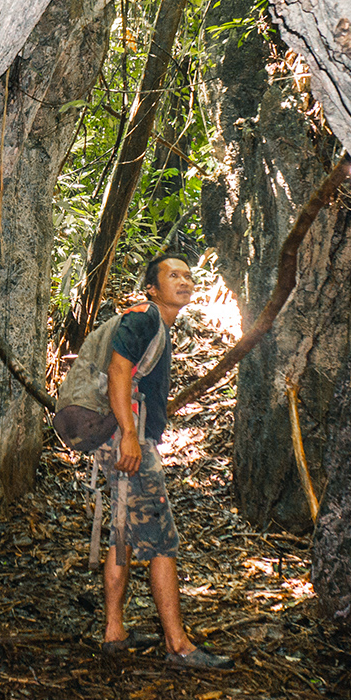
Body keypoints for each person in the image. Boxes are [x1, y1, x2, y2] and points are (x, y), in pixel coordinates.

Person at [94, 254, 233, 670]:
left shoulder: (156, 324)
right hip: (126, 440)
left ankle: (114, 633)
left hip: (115, 440)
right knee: (163, 541)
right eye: (173, 275)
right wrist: (132, 438)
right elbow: (119, 373)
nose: (184, 281)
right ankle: (177, 645)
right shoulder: (145, 319)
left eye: (188, 275)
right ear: (152, 288)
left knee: (123, 536)